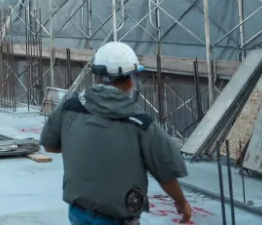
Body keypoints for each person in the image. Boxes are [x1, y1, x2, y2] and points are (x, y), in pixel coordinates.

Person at [40, 41, 193, 224]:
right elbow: (165, 172)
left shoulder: (69, 107)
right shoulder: (139, 121)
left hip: (78, 212)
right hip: (118, 217)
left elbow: (50, 145)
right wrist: (181, 202)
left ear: (97, 77)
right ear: (130, 80)